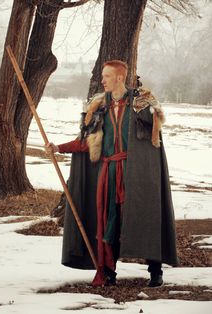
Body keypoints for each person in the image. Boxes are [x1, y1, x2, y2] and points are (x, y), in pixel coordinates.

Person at [46, 60, 178, 287]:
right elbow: (86, 142)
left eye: (106, 76)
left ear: (119, 77)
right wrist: (58, 148)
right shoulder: (99, 106)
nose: (102, 80)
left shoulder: (139, 102)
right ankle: (108, 271)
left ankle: (155, 271)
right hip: (108, 174)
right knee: (110, 221)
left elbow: (156, 128)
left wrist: (152, 108)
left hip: (136, 173)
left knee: (143, 216)